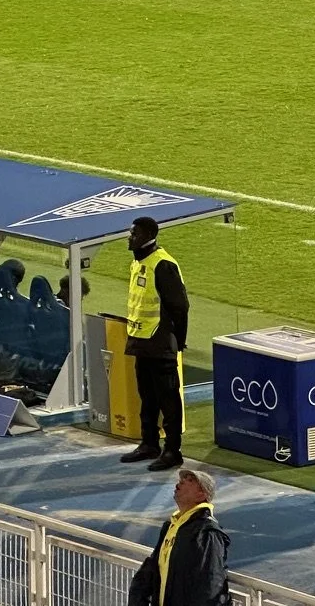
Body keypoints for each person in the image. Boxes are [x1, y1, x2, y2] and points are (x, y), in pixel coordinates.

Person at [121, 216, 190, 473]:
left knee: (168, 399)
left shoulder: (163, 264)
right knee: (147, 396)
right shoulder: (138, 263)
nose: (129, 238)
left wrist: (178, 341)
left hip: (160, 341)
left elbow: (180, 307)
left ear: (148, 235)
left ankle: (173, 450)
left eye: (134, 234)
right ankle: (149, 443)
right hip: (141, 340)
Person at [127, 466, 230, 606]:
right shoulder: (172, 527)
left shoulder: (206, 532)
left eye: (190, 480)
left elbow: (210, 584)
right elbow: (151, 570)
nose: (180, 482)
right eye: (181, 479)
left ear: (201, 494)